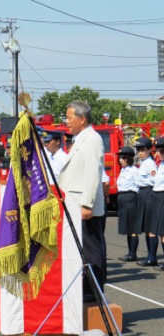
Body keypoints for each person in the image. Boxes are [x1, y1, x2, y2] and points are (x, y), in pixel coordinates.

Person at [58, 101, 106, 302]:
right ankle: (86, 288)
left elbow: (93, 174)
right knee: (82, 248)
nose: (66, 121)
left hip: (85, 206)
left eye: (69, 117)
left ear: (82, 118)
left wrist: (87, 203)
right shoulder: (81, 138)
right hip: (74, 203)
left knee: (92, 249)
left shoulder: (92, 139)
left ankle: (94, 292)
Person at [134, 137, 158, 267]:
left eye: (143, 150)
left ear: (149, 150)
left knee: (150, 227)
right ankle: (149, 255)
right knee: (145, 227)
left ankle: (152, 257)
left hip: (149, 193)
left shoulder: (150, 164)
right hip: (142, 194)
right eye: (139, 150)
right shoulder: (143, 163)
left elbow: (156, 180)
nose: (140, 153)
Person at [116, 146, 140, 262]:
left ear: (129, 158)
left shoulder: (134, 170)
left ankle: (133, 254)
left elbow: (138, 185)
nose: (121, 160)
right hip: (122, 198)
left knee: (132, 227)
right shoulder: (123, 170)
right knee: (127, 227)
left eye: (124, 158)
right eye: (120, 157)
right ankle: (129, 252)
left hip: (131, 198)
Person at [152, 137, 164, 271]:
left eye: (160, 151)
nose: (157, 154)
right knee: (161, 232)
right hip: (158, 196)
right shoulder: (160, 165)